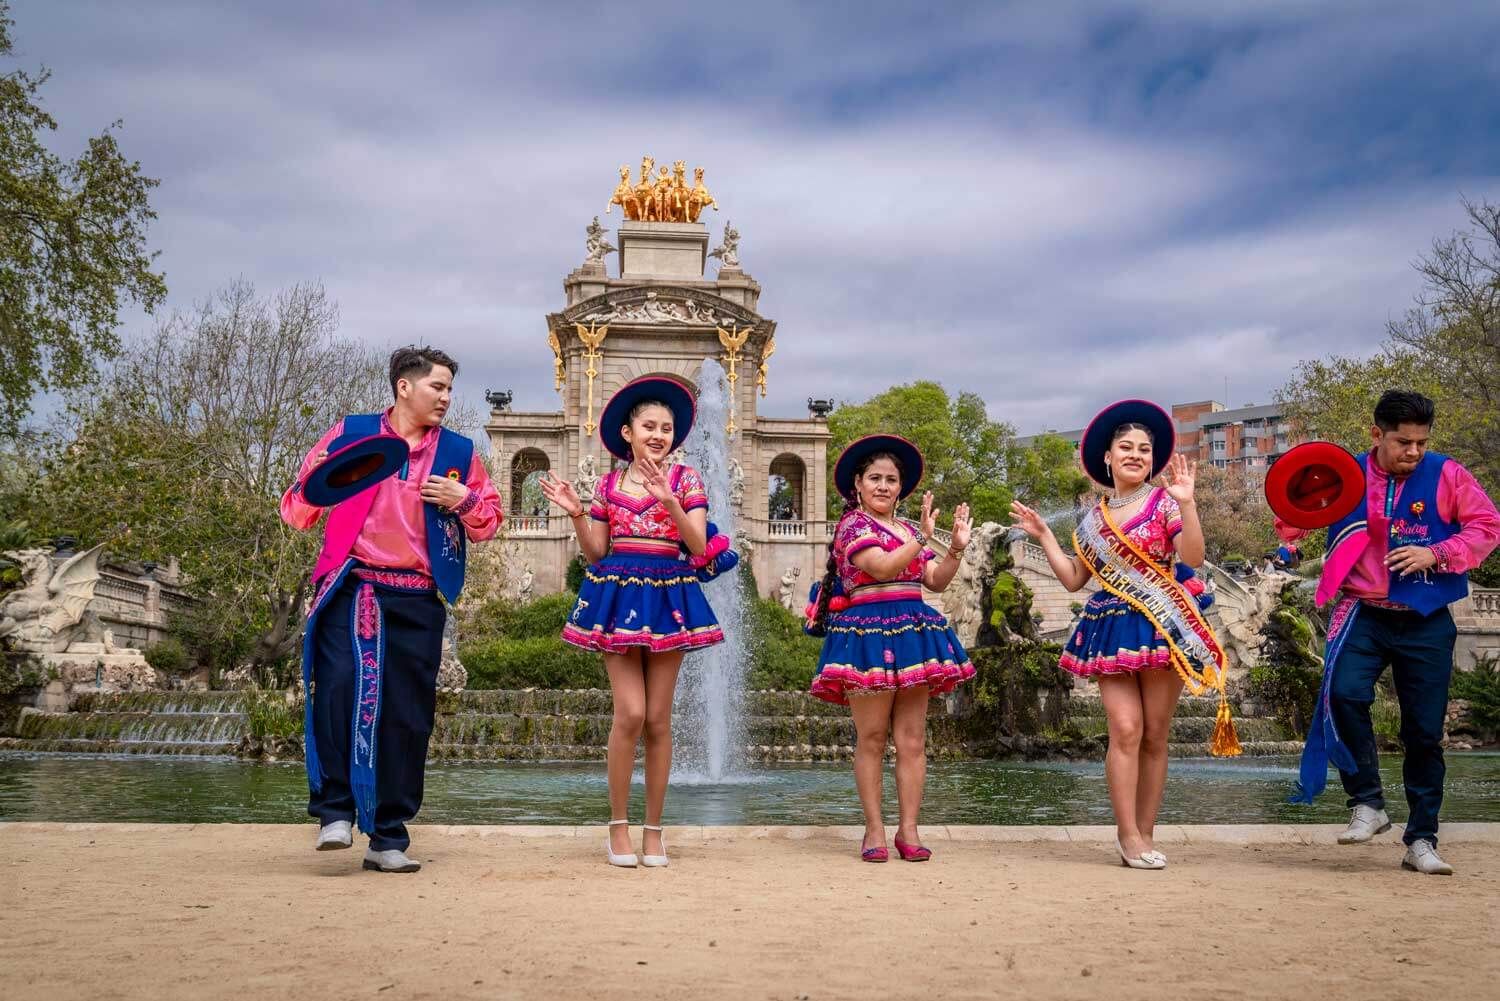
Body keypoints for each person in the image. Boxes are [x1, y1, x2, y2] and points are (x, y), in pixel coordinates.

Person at [281, 345, 502, 873]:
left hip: (419, 595)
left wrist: (463, 500)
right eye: (437, 387)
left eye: (449, 389)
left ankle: (388, 836)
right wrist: (321, 485)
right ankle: (335, 811)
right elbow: (295, 510)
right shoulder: (351, 435)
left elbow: (491, 522)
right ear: (404, 386)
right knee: (338, 689)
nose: (446, 398)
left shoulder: (459, 452)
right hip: (353, 585)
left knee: (408, 717)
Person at [1276, 390, 1499, 875]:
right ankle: (1368, 803)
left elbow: (1487, 525)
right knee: (1343, 695)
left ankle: (1422, 839)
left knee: (1424, 733)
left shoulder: (1448, 474)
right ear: (1377, 434)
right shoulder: (1346, 475)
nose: (1413, 452)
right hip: (1363, 612)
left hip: (1426, 618)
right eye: (1403, 442)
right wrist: (1293, 512)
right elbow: (1293, 519)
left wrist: (1436, 553)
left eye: (1421, 442)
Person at [1010, 400, 1238, 871]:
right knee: (1126, 728)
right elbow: (1073, 579)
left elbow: (1192, 557)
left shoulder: (1165, 502)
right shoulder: (1091, 522)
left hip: (1162, 625)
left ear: (1152, 459)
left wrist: (1188, 502)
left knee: (1155, 734)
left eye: (1144, 449)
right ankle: (1127, 834)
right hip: (1112, 626)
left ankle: (1147, 833)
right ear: (1107, 457)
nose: (1135, 454)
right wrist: (1045, 535)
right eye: (1126, 447)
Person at [538, 375, 724, 868]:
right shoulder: (607, 484)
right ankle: (617, 826)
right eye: (649, 426)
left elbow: (699, 545)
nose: (658, 434)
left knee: (659, 719)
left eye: (666, 428)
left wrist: (669, 500)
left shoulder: (687, 480)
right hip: (618, 598)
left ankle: (654, 830)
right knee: (632, 714)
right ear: (628, 432)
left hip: (669, 596)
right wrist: (577, 514)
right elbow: (597, 553)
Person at [806, 434, 975, 862]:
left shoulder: (906, 530)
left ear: (901, 488)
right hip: (867, 634)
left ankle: (909, 830)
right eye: (875, 478)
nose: (883, 486)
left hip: (913, 631)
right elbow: (880, 568)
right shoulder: (853, 526)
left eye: (891, 480)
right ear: (858, 484)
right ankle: (874, 829)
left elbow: (935, 581)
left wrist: (955, 547)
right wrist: (922, 539)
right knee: (873, 737)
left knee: (913, 739)